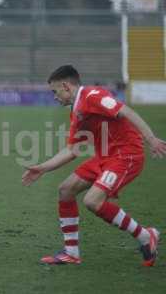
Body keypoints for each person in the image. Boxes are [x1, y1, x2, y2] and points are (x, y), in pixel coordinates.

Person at [22, 65, 165, 266]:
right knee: (66, 190)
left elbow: (125, 111)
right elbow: (72, 150)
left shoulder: (92, 96)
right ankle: (71, 253)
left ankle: (145, 236)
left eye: (55, 92)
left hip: (126, 155)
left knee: (92, 201)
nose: (55, 97)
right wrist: (42, 168)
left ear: (66, 86)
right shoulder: (77, 111)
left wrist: (150, 138)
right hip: (105, 157)